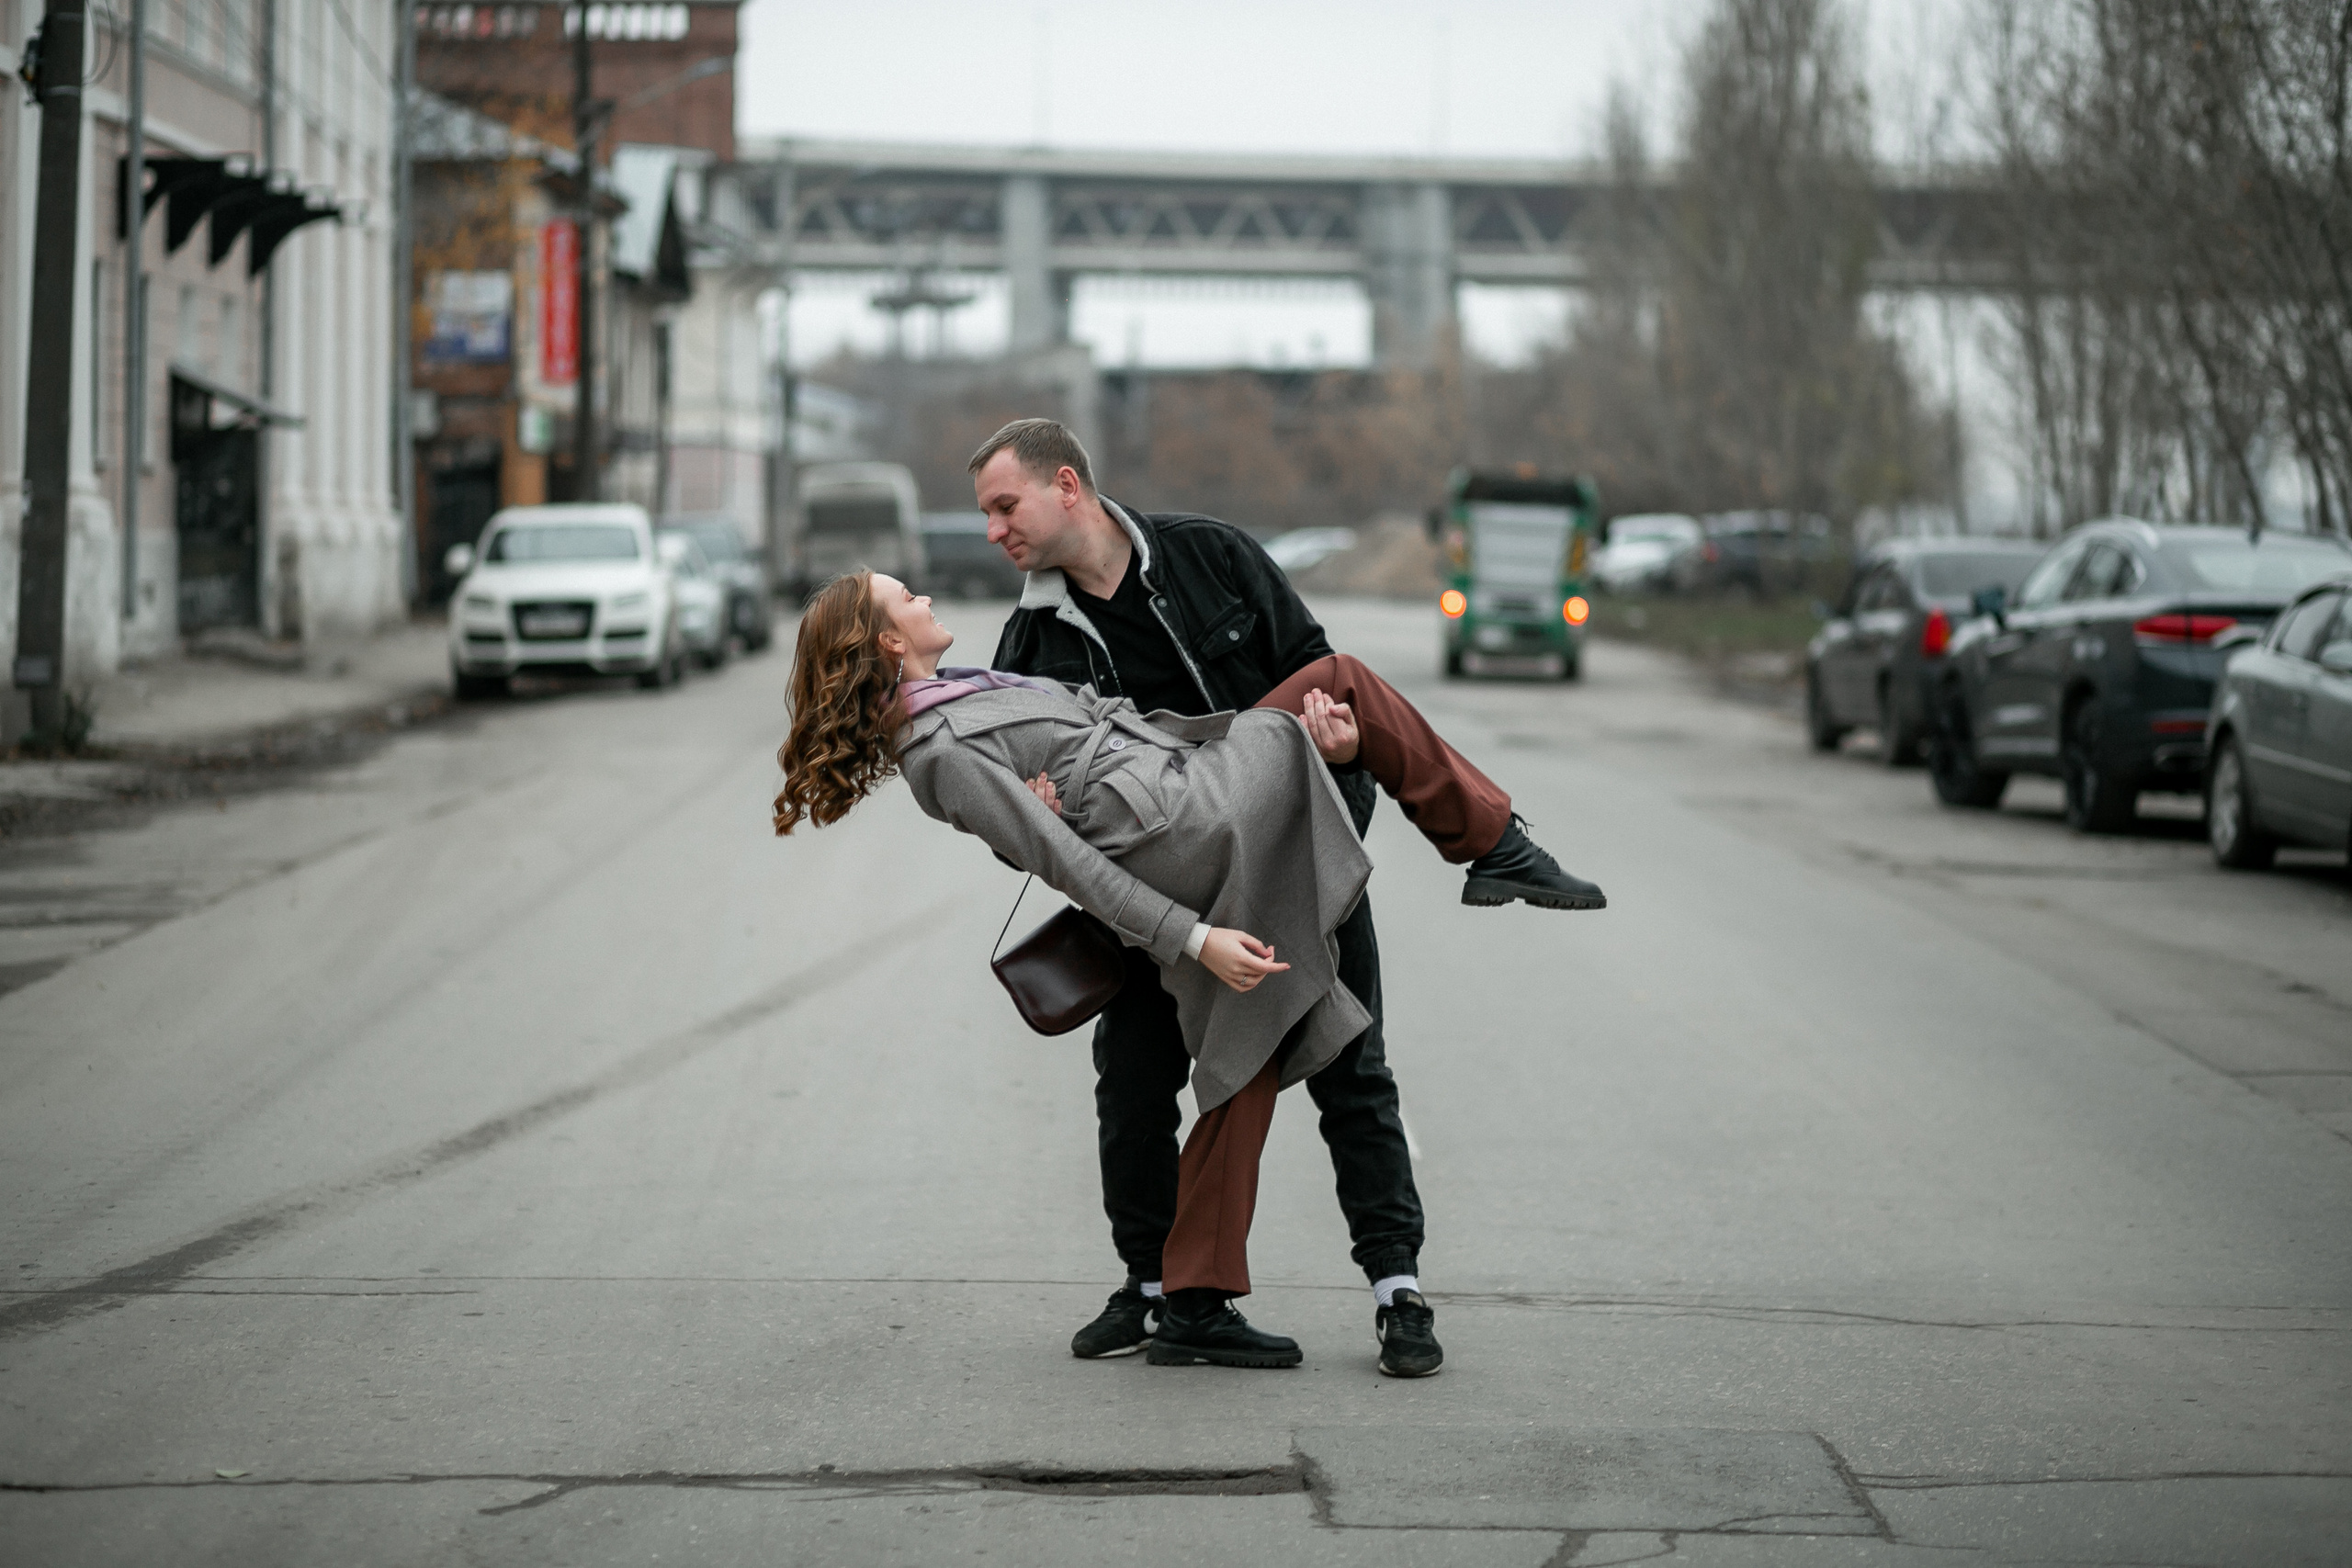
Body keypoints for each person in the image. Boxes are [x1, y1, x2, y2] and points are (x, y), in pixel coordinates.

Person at [775, 563, 1605, 1371]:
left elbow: (1063, 780)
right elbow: (1069, 866)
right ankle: (1496, 843)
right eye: (904, 596)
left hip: (1181, 788)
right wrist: (1194, 938)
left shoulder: (957, 692)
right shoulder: (938, 747)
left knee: (1256, 1032)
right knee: (1344, 679)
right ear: (888, 643)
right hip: (1188, 820)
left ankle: (1197, 1298)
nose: (924, 595)